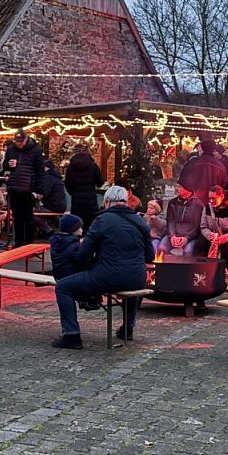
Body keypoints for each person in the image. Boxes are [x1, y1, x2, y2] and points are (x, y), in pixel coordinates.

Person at [52, 185, 153, 348]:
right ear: (126, 201)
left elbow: (83, 255)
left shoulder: (102, 221)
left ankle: (71, 335)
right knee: (131, 285)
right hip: (138, 278)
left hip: (107, 277)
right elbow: (150, 256)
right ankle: (127, 328)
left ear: (107, 201)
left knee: (62, 287)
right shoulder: (140, 221)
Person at [49, 214, 102, 311]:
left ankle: (87, 299)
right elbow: (82, 260)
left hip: (59, 275)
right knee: (93, 273)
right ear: (73, 230)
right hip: (70, 276)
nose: (82, 230)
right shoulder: (73, 245)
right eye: (80, 227)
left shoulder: (58, 242)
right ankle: (91, 300)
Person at [2, 130, 45, 246]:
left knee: (28, 217)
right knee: (17, 217)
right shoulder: (11, 149)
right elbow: (4, 165)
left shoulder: (35, 150)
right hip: (14, 187)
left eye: (21, 141)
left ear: (26, 139)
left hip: (28, 189)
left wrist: (38, 190)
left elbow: (40, 171)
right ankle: (19, 243)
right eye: (17, 141)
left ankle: (29, 243)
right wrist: (8, 165)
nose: (19, 143)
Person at [64, 144, 103, 232]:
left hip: (77, 203)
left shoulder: (71, 166)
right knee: (90, 228)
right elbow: (100, 182)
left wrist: (74, 193)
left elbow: (68, 184)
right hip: (91, 202)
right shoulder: (93, 165)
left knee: (76, 227)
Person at [158, 184, 204, 256]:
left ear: (187, 188)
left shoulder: (198, 204)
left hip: (190, 238)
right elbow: (170, 221)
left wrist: (187, 238)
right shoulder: (172, 202)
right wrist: (172, 236)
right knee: (161, 248)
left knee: (188, 251)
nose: (176, 188)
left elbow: (197, 226)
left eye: (179, 187)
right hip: (173, 236)